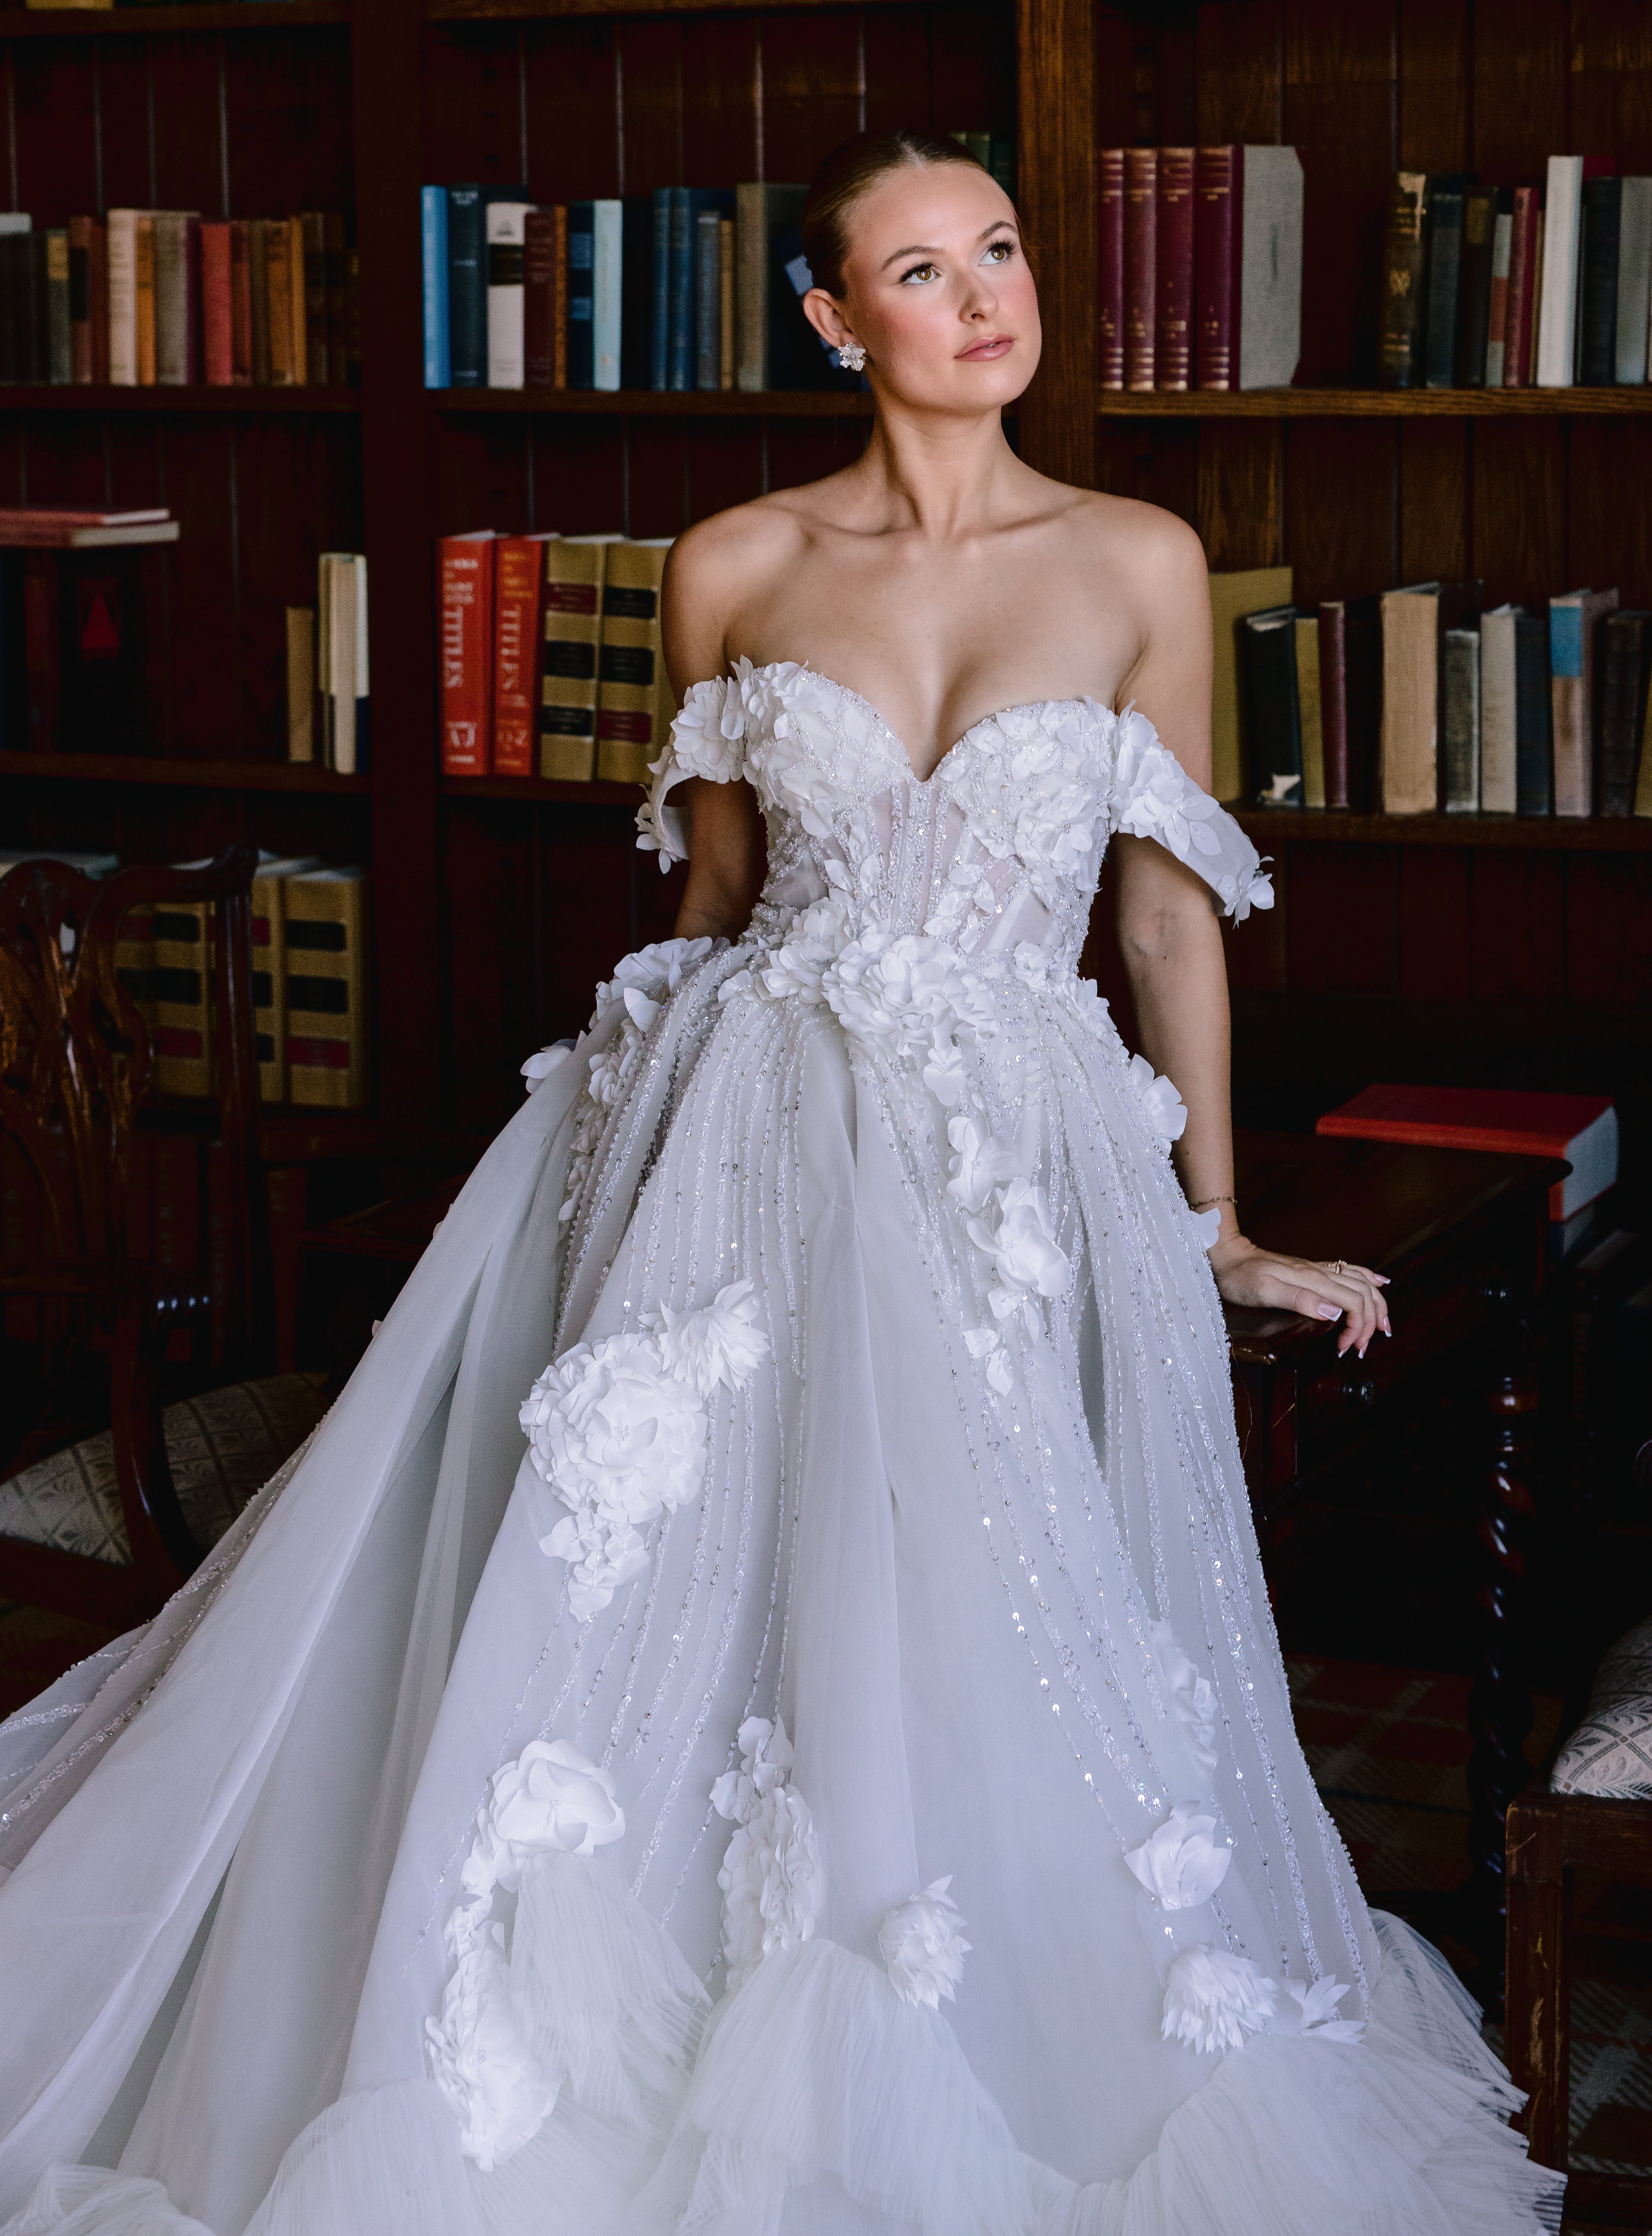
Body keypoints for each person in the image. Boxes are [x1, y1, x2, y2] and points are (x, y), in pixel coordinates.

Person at [0, 132, 1561, 2236]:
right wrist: (605, 1193)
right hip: (741, 1134)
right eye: (927, 270)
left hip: (1011, 1151)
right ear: (840, 320)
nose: (992, 296)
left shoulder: (1138, 560)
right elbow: (721, 901)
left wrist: (1214, 1217)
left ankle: (937, 2030)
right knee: (683, 1595)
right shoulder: (732, 563)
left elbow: (1172, 919)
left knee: (978, 1600)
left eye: (1002, 249)